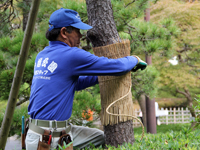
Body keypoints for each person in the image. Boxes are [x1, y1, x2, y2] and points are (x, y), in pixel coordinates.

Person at [25, 8, 147, 150]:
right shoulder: (71, 55)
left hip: (43, 131)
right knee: (101, 140)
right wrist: (133, 59)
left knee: (100, 138)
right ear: (64, 32)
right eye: (77, 30)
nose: (81, 36)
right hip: (47, 138)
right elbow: (116, 66)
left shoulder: (43, 55)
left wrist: (103, 75)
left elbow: (73, 84)